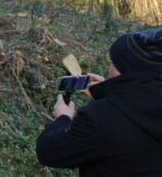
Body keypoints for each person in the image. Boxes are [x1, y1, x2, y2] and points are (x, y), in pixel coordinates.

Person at [36, 28, 162, 175]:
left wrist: (63, 117)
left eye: (113, 61)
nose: (110, 66)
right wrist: (109, 93)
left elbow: (48, 152)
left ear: (123, 70)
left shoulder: (98, 119)